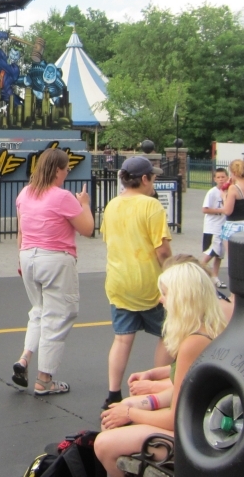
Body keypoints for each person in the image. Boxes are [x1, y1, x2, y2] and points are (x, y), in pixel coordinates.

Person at [95, 262, 228, 476]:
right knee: (116, 419)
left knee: (104, 443)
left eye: (165, 294)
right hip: (205, 429)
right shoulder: (210, 329)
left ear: (182, 299)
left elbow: (175, 418)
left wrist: (129, 412)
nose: (160, 300)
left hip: (194, 440)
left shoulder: (192, 343)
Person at [11, 148, 94, 396]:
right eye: (66, 168)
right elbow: (88, 228)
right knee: (58, 317)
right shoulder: (62, 196)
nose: (67, 172)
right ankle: (44, 379)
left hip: (28, 257)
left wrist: (21, 260)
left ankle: (25, 358)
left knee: (39, 310)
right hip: (55, 259)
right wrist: (85, 205)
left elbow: (21, 232)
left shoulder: (25, 193)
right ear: (57, 170)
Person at [100, 156, 173, 411]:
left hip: (119, 282)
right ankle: (153, 387)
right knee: (167, 334)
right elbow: (162, 250)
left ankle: (112, 394)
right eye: (152, 177)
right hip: (149, 284)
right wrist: (173, 274)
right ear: (144, 179)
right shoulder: (151, 207)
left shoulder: (111, 205)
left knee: (122, 339)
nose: (154, 181)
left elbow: (108, 240)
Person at [220, 159, 244, 261]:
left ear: (234, 172)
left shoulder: (234, 188)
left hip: (234, 225)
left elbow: (227, 211)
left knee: (234, 258)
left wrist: (224, 196)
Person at [200, 168, 230, 287]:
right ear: (214, 179)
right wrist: (221, 210)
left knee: (220, 254)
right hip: (213, 227)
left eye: (223, 177)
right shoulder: (212, 192)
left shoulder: (228, 192)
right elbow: (205, 209)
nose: (221, 179)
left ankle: (215, 277)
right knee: (212, 251)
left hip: (223, 226)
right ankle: (198, 270)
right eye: (218, 177)